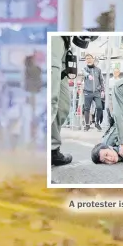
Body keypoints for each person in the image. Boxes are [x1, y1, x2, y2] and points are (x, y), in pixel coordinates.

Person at [49, 35, 73, 167]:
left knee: (63, 106)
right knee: (51, 99)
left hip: (65, 45)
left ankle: (53, 149)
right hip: (55, 38)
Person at [81, 53, 105, 132]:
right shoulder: (84, 69)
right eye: (87, 58)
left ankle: (97, 123)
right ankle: (87, 125)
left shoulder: (98, 70)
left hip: (97, 92)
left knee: (99, 107)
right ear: (85, 60)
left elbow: (101, 80)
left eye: (90, 58)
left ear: (93, 59)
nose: (88, 60)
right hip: (88, 92)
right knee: (86, 109)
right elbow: (84, 73)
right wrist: (88, 75)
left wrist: (102, 90)